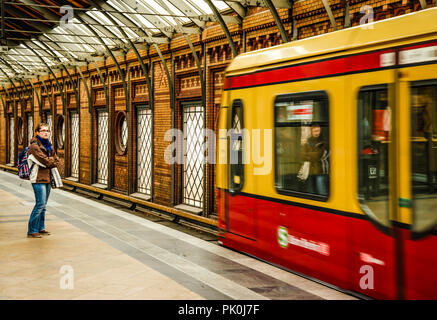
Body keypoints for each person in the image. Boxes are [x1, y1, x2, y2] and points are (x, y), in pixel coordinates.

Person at [27, 123, 59, 238]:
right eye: (43, 131)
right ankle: (32, 230)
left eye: (47, 130)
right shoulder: (34, 146)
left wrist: (51, 161)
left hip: (47, 178)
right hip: (38, 178)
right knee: (40, 204)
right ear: (37, 132)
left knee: (44, 205)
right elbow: (46, 161)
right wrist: (51, 161)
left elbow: (56, 159)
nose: (46, 133)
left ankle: (41, 228)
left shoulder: (48, 145)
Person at [301, 123, 329, 196]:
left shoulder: (323, 142)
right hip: (310, 171)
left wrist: (309, 154)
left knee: (321, 192)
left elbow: (319, 155)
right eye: (315, 131)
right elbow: (303, 155)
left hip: (320, 170)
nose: (317, 133)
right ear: (311, 131)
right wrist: (313, 155)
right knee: (311, 192)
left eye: (318, 131)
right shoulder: (307, 142)